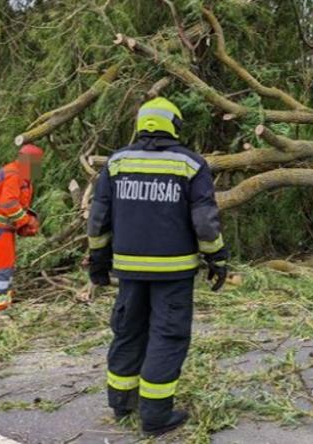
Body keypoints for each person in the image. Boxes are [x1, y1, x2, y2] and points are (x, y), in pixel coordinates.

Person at [86, 97, 229, 436]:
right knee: (168, 336)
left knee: (129, 331)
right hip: (174, 272)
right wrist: (217, 258)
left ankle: (121, 403)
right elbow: (205, 224)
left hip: (129, 271)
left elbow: (98, 220)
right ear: (175, 126)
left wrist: (98, 262)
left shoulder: (117, 163)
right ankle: (155, 416)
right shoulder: (190, 165)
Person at [0, 144, 44, 311]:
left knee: (1, 267)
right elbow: (9, 204)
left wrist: (24, 220)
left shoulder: (17, 173)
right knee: (3, 267)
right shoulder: (14, 175)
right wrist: (26, 221)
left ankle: (3, 302)